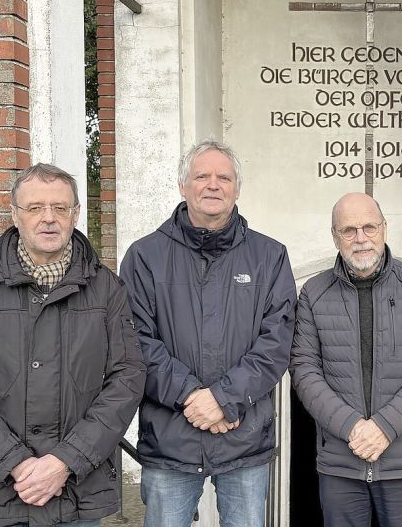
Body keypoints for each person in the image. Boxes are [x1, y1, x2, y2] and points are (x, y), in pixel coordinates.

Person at [0, 163, 146, 527]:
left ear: (75, 214)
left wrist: (65, 462)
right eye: (35, 208)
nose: (49, 218)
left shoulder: (107, 289)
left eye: (60, 208)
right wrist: (17, 463)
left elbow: (127, 379)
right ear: (15, 215)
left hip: (77, 494)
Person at [120, 139, 296, 527]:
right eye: (202, 176)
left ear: (237, 189)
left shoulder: (270, 256)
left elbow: (277, 341)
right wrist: (191, 398)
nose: (213, 185)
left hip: (244, 438)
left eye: (224, 177)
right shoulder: (145, 256)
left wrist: (223, 399)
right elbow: (134, 341)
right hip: (171, 440)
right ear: (183, 186)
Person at [291, 192, 402, 527]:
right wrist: (352, 428)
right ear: (334, 236)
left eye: (369, 227)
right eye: (349, 230)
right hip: (340, 464)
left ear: (384, 229)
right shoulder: (313, 293)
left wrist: (383, 427)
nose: (360, 238)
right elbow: (305, 371)